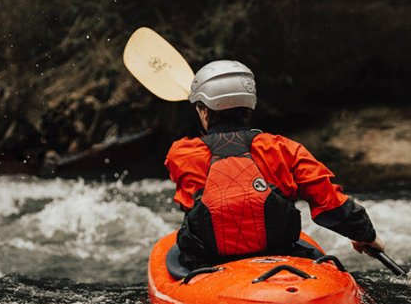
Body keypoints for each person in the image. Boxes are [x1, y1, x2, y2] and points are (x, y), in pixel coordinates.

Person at [164, 60, 386, 269]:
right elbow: (331, 204)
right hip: (280, 256)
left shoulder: (182, 153)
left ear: (203, 111)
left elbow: (191, 202)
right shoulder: (284, 149)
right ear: (250, 107)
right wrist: (366, 236)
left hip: (208, 263)